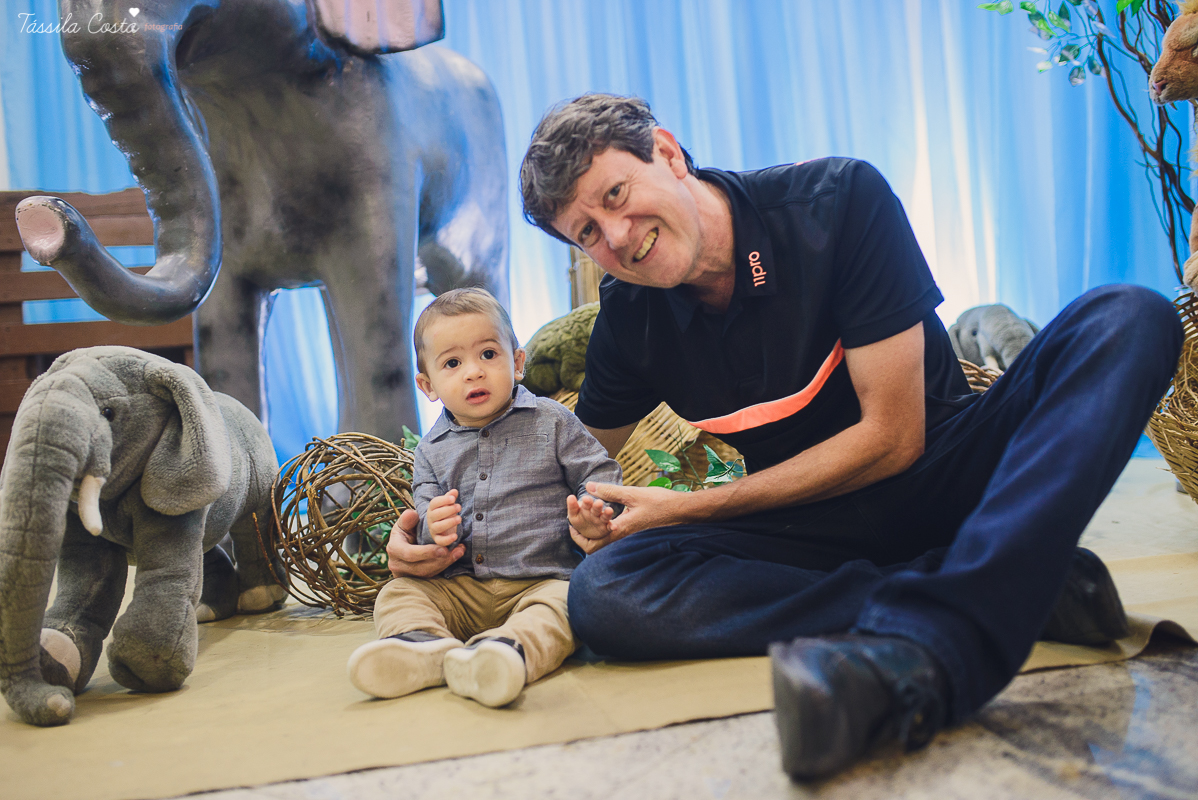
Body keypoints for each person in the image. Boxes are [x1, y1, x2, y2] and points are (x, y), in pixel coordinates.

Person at [349, 288, 620, 708]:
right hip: (460, 588)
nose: (473, 372)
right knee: (398, 593)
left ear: (517, 362)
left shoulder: (553, 421)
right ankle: (423, 646)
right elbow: (423, 512)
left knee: (566, 607)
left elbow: (598, 473)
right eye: (453, 363)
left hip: (541, 580)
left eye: (488, 354)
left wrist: (594, 512)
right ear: (428, 385)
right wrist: (432, 525)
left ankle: (504, 652)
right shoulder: (430, 450)